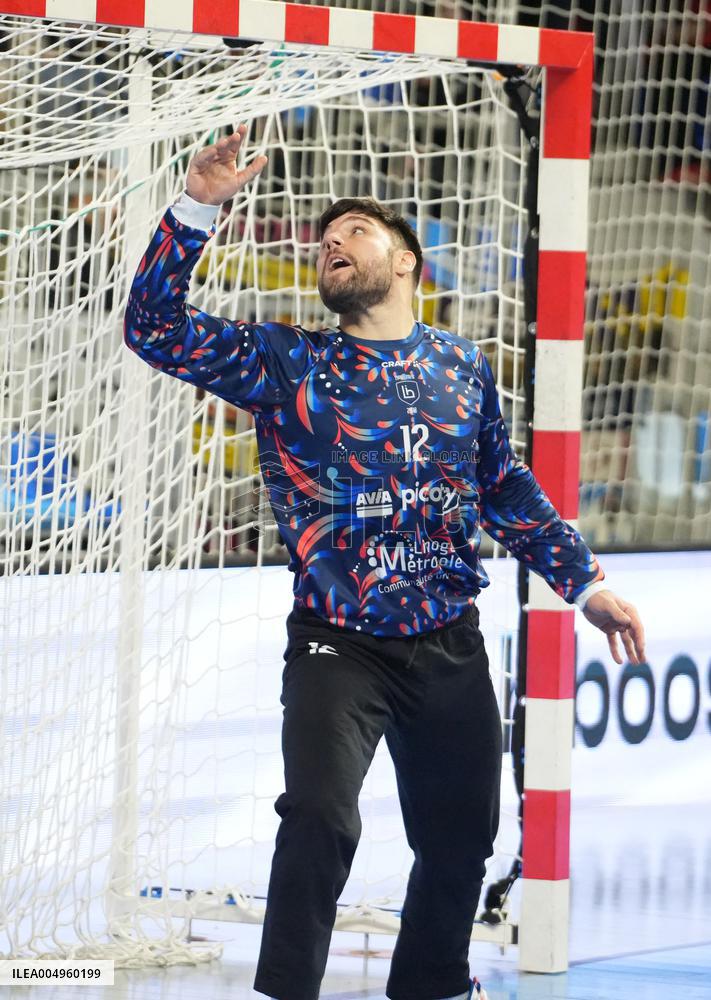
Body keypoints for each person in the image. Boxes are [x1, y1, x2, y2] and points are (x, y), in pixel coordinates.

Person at [124, 124, 646, 1000]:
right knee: (320, 817)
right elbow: (154, 329)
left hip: (447, 641)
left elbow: (503, 486)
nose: (333, 242)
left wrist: (583, 582)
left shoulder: (461, 365)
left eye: (354, 232)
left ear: (405, 261)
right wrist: (195, 208)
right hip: (339, 641)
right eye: (324, 239)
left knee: (458, 842)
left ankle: (434, 987)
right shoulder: (287, 360)